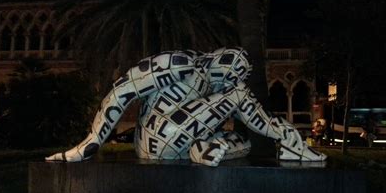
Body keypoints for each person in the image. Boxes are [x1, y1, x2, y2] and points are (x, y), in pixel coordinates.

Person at [46, 47, 326, 166]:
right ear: (221, 60)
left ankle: (202, 149)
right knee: (240, 98)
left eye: (237, 77)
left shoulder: (221, 85)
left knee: (244, 143)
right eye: (233, 73)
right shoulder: (180, 64)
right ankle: (290, 143)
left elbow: (253, 115)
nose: (233, 82)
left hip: (184, 136)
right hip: (157, 138)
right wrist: (89, 144)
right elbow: (122, 90)